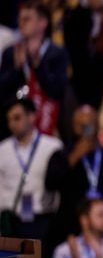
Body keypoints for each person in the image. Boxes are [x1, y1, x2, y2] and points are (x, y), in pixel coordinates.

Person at [46, 105, 103, 257]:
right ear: (72, 126)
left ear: (97, 125)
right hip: (70, 227)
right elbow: (50, 183)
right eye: (81, 125)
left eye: (89, 124)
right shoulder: (62, 155)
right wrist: (74, 157)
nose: (86, 129)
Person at [0, 0, 68, 138]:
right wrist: (17, 69)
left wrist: (37, 64)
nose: (21, 23)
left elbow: (56, 91)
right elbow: (3, 91)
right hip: (14, 126)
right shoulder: (11, 52)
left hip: (47, 122)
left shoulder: (57, 53)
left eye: (27, 19)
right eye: (20, 19)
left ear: (43, 23)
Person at [0, 99, 62, 241]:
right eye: (9, 120)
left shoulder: (52, 147)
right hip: (11, 221)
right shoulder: (2, 149)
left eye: (17, 118)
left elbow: (59, 188)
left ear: (32, 116)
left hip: (42, 219)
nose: (12, 124)